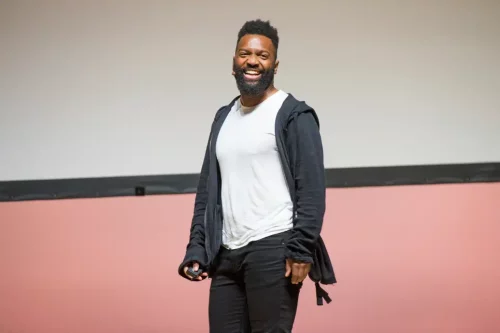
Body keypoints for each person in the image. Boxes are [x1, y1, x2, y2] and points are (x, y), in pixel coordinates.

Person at [178, 19, 336, 333]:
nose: (253, 61)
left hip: (274, 250)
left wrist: (301, 249)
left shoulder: (293, 115)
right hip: (226, 255)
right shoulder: (224, 116)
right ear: (234, 62)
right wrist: (197, 247)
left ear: (274, 65)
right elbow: (207, 192)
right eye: (244, 54)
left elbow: (312, 191)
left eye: (262, 56)